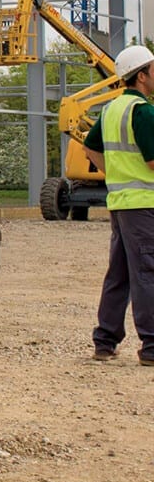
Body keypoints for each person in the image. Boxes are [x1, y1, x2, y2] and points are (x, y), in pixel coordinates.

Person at [83, 44, 154, 367]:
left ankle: (105, 340)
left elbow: (90, 148)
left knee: (121, 273)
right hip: (144, 203)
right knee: (147, 273)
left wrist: (116, 174)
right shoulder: (143, 111)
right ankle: (151, 346)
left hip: (121, 201)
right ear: (142, 76)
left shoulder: (112, 109)